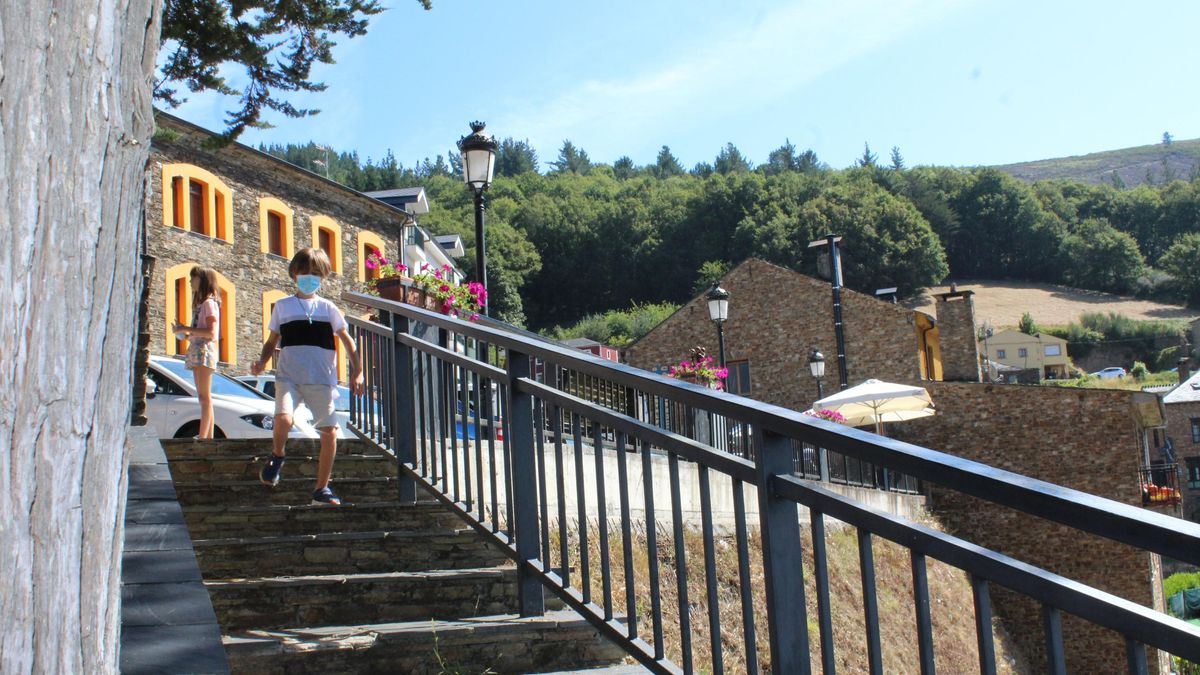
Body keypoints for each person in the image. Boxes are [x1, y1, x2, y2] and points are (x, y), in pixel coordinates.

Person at [251, 247, 364, 505]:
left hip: (321, 379)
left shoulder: (329, 309)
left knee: (330, 432)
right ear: (294, 273)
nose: (310, 277)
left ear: (323, 276)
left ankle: (322, 488)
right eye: (305, 272)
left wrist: (358, 372)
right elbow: (272, 341)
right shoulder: (283, 306)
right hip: (288, 375)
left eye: (315, 273)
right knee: (283, 418)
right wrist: (261, 362)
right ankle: (277, 455)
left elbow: (348, 341)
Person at [173, 266, 220, 440]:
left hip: (204, 350)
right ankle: (207, 436)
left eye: (194, 278)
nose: (191, 281)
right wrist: (184, 333)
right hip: (197, 349)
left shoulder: (208, 304)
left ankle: (203, 436)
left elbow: (210, 332)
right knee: (204, 397)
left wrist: (186, 328)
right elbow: (200, 332)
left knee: (204, 397)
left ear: (203, 280)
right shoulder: (202, 305)